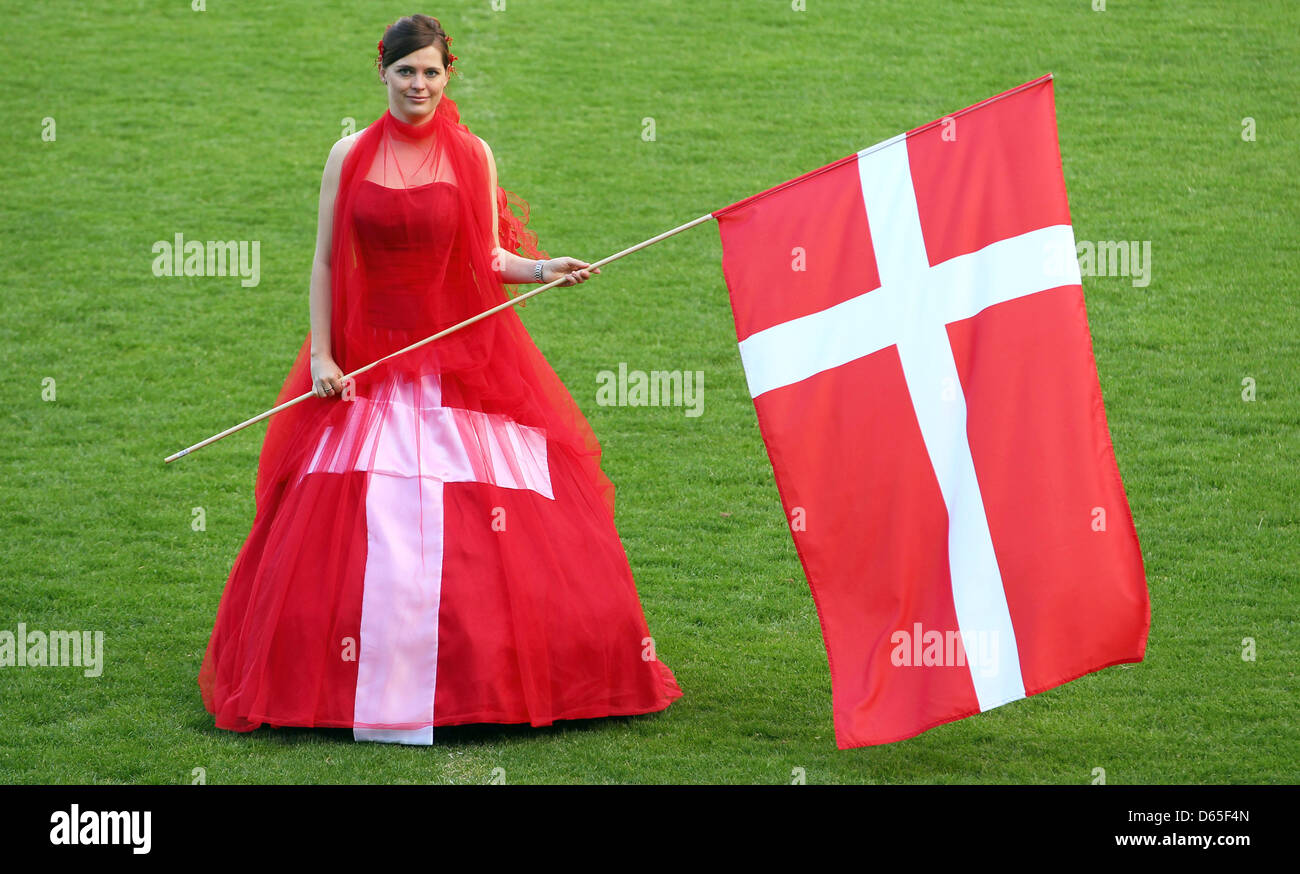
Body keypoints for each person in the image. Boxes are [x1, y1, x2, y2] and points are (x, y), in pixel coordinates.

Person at [198, 14, 683, 744]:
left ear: (447, 74)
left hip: (458, 359)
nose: (418, 85)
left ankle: (486, 678)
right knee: (353, 507)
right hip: (366, 362)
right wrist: (325, 357)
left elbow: (486, 258)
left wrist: (542, 268)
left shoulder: (472, 154)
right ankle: (338, 677)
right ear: (383, 75)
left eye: (430, 72)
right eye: (405, 72)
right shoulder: (349, 154)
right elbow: (326, 262)